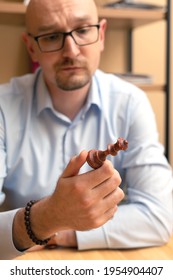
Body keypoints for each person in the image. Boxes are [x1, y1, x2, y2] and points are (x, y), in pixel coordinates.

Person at [0, 0, 172, 260]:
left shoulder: (131, 103)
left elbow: (158, 216)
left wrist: (54, 229)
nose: (71, 50)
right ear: (31, 47)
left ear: (101, 35)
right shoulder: (2, 107)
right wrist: (48, 217)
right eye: (51, 35)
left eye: (82, 31)